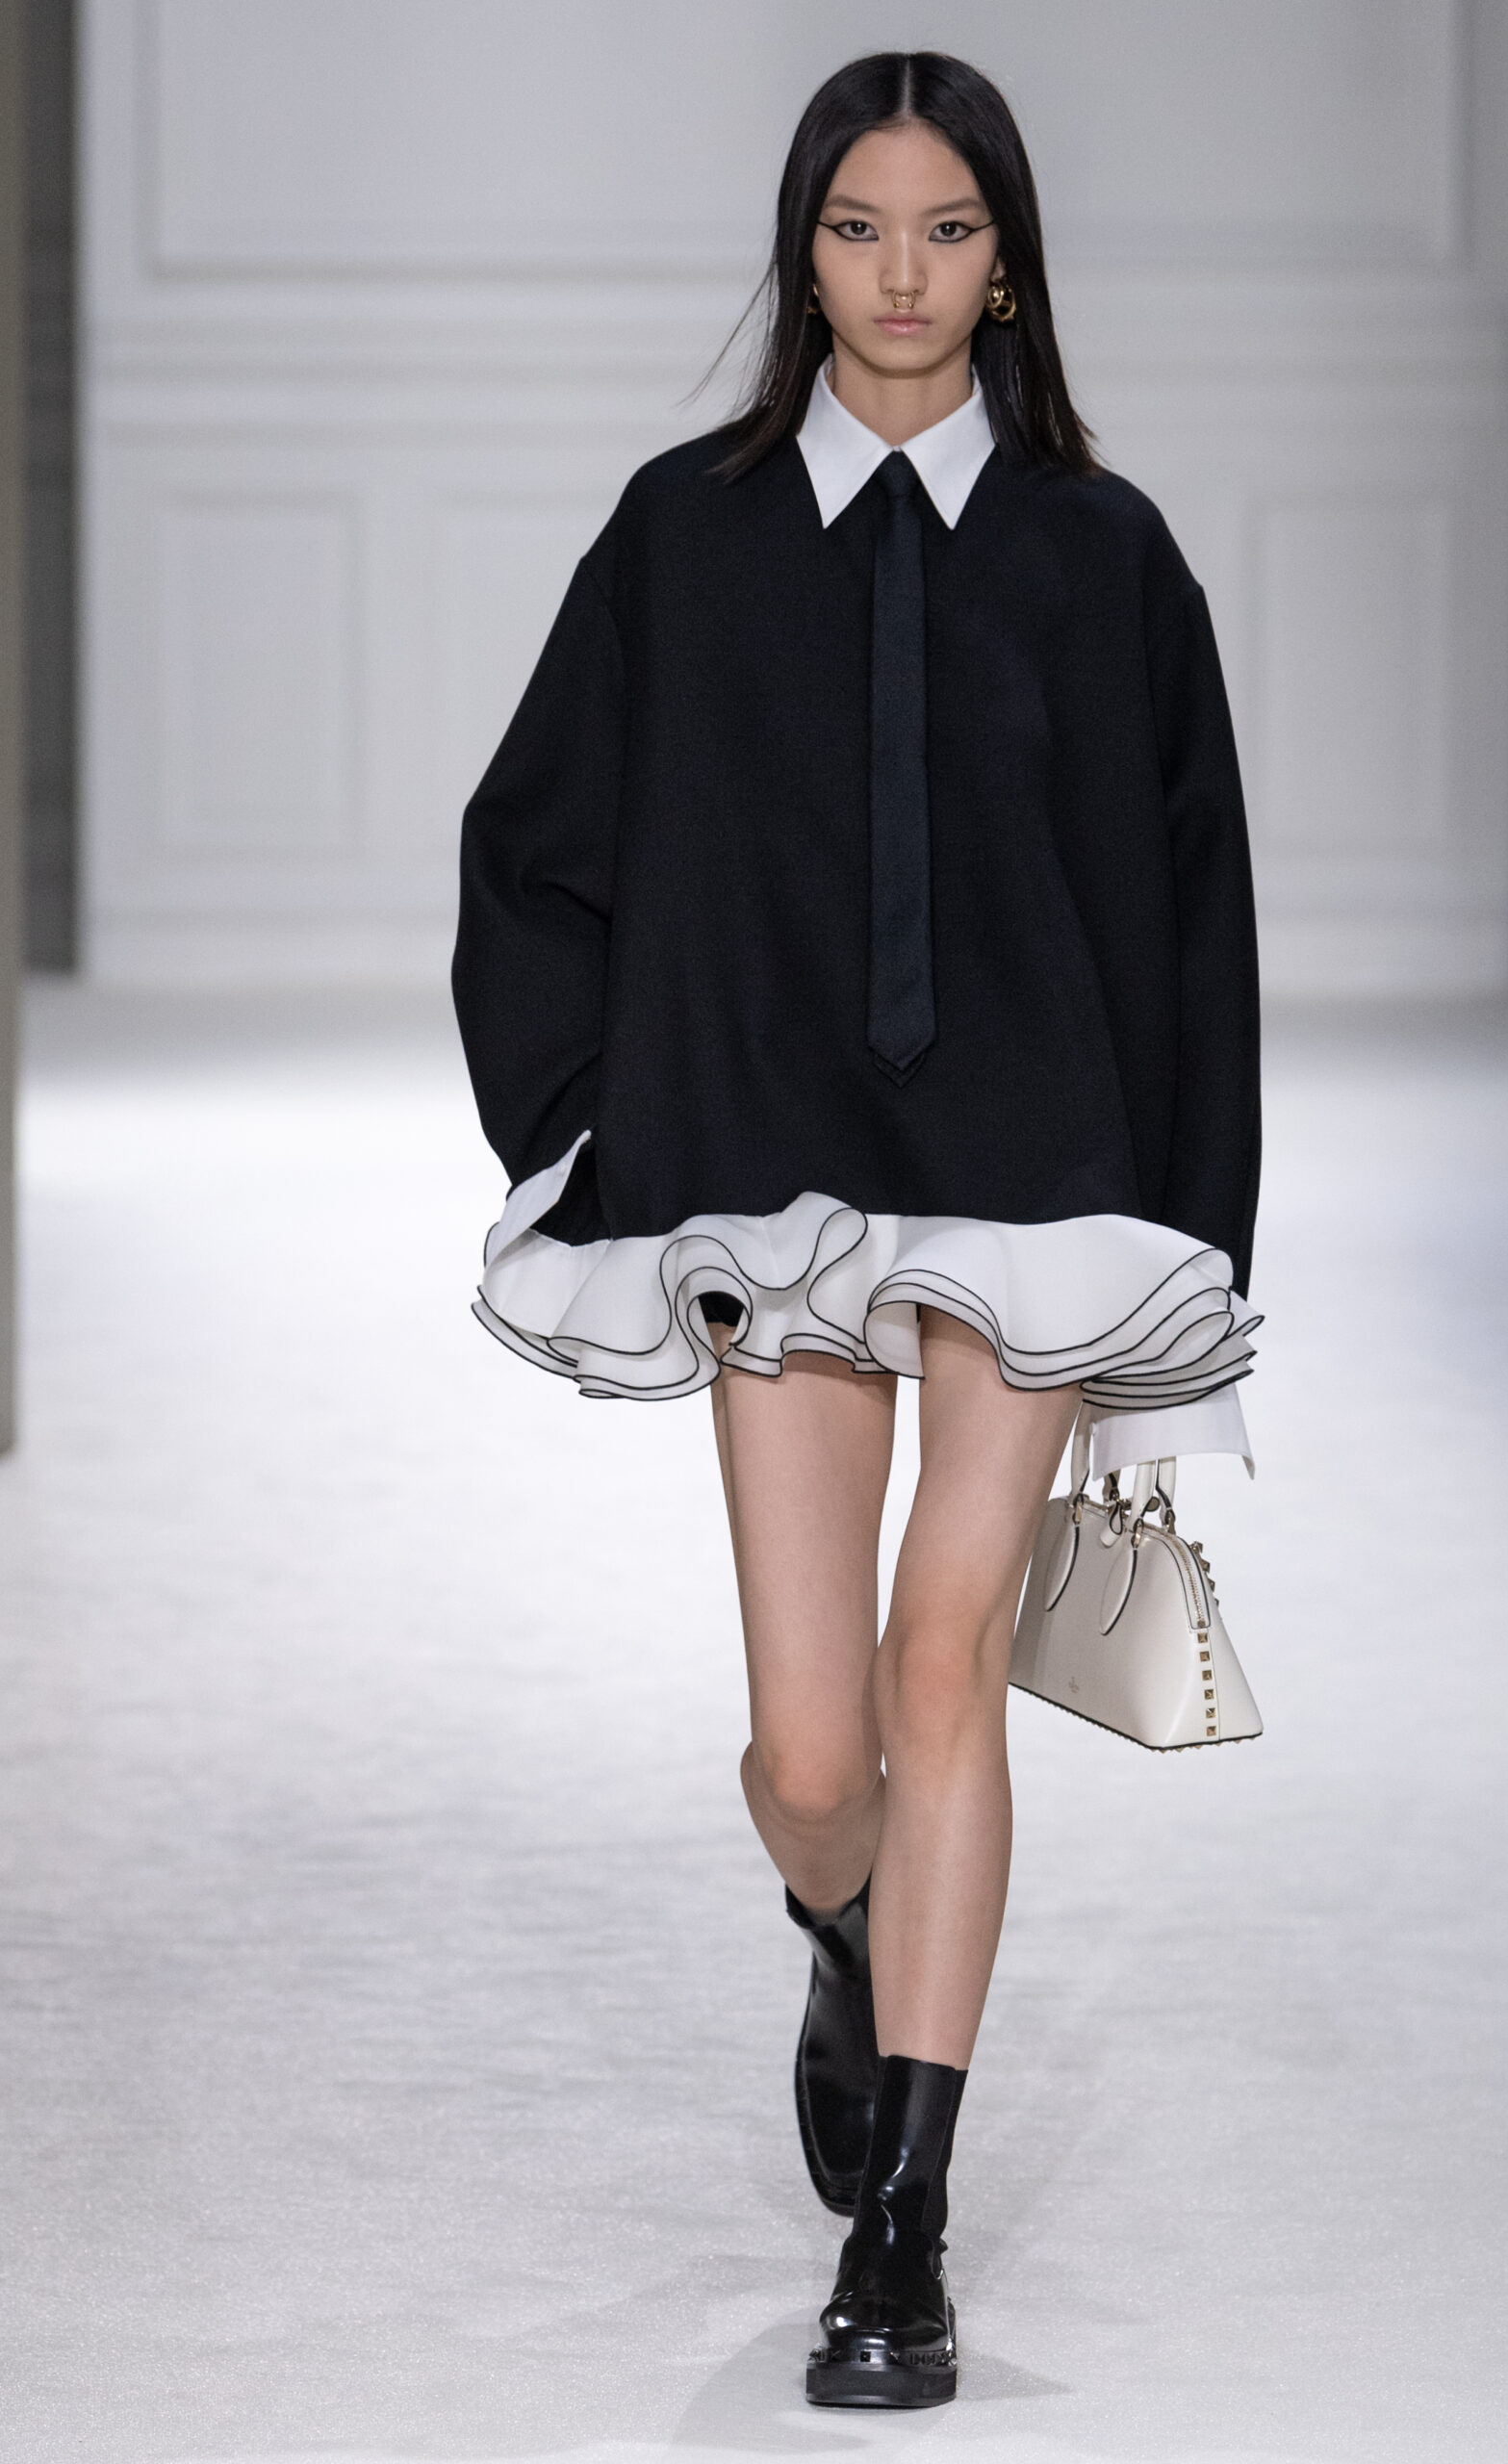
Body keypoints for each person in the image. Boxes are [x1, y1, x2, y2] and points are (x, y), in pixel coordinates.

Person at [452, 49, 1260, 2411]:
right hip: (770, 1168)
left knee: (939, 1665)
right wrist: (593, 1122)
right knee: (813, 1753)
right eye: (855, 228)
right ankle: (846, 1919)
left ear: (1007, 265)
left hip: (1038, 1167)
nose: (899, 277)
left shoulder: (1103, 556)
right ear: (801, 253)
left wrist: (1188, 1236)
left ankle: (902, 2227)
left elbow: (1190, 909)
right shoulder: (683, 539)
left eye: (946, 230)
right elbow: (537, 842)